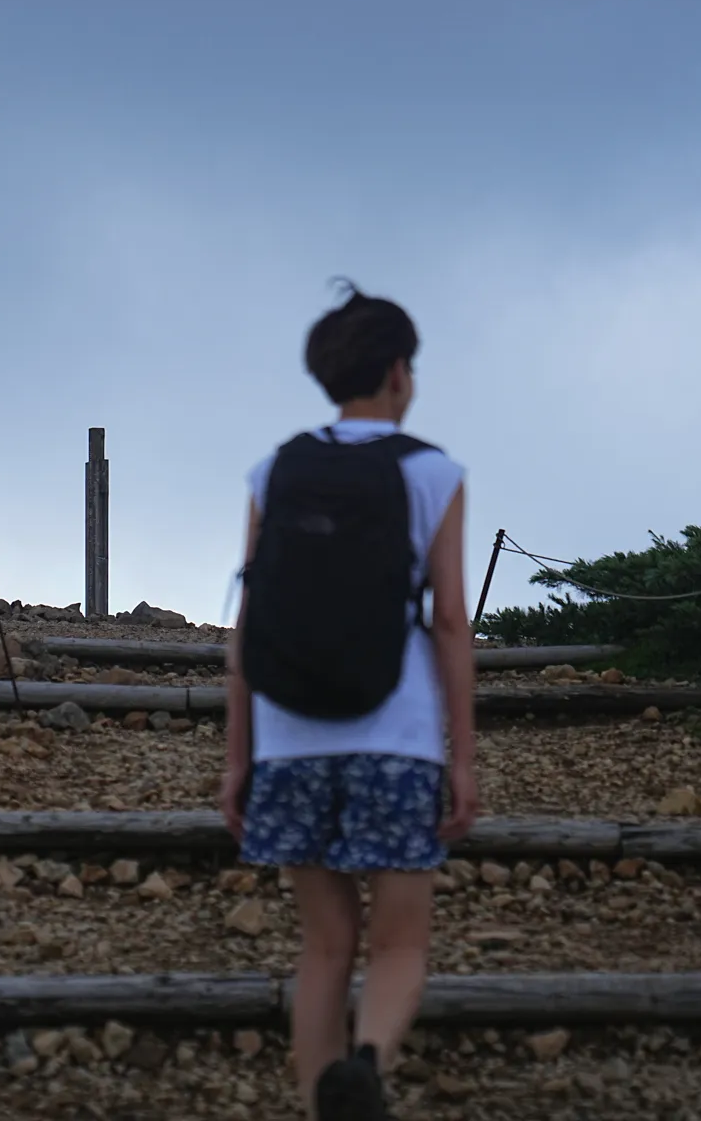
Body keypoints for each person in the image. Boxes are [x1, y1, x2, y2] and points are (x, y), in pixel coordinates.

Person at [220, 281, 479, 1120]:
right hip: (394, 738)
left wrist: (239, 758)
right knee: (400, 940)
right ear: (400, 373)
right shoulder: (432, 473)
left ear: (328, 374)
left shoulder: (278, 469)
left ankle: (319, 1102)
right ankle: (367, 1061)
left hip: (290, 737)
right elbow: (447, 618)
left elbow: (247, 622)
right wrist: (462, 757)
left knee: (324, 947)